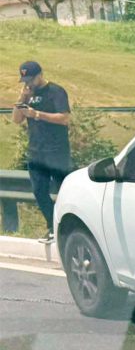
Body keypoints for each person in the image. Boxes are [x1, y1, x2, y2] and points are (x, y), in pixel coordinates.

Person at [11, 61, 72, 244]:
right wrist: (21, 99)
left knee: (63, 190)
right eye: (25, 80)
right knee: (39, 191)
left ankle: (68, 227)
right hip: (36, 151)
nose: (28, 83)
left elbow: (64, 118)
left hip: (56, 150)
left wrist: (37, 115)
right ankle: (52, 226)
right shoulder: (27, 94)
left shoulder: (56, 91)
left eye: (31, 79)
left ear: (40, 75)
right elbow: (16, 120)